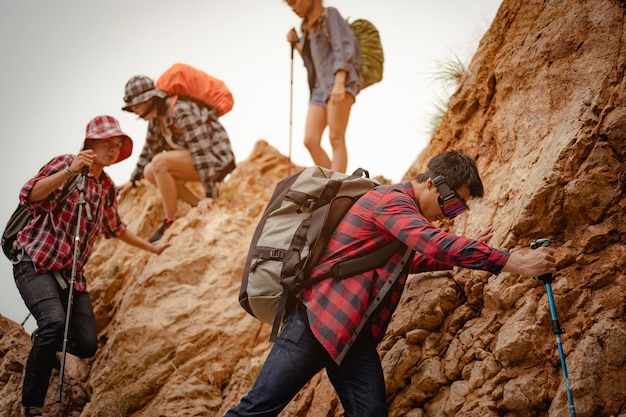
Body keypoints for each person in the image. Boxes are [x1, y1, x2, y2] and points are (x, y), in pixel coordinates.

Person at [225, 150, 556, 417]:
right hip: (316, 323)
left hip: (354, 340)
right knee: (257, 409)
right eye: (452, 203)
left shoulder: (402, 216)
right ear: (431, 183)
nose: (451, 215)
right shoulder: (391, 201)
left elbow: (413, 260)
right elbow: (432, 243)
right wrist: (513, 262)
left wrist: (467, 254)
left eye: (458, 211)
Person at [12, 115, 172, 417]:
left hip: (72, 278)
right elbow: (29, 194)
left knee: (86, 345)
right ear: (90, 143)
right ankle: (31, 406)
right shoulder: (65, 164)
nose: (113, 149)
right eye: (107, 143)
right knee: (54, 322)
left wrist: (153, 247)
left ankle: (44, 340)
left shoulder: (107, 187)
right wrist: (70, 171)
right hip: (35, 263)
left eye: (117, 145)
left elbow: (116, 228)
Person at [118, 75, 236, 242]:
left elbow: (201, 151)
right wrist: (133, 179)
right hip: (196, 162)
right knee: (150, 171)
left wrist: (210, 194)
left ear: (150, 99)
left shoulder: (181, 110)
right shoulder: (155, 121)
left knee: (159, 162)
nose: (134, 111)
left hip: (215, 161)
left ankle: (170, 221)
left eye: (136, 105)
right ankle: (198, 205)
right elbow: (148, 150)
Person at [286, 0, 362, 173]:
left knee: (336, 137)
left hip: (339, 80)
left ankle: (338, 188)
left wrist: (340, 81)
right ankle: (332, 183)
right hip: (319, 88)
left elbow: (342, 47)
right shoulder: (307, 28)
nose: (293, 8)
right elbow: (312, 62)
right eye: (290, 6)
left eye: (294, 2)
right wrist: (297, 43)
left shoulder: (330, 15)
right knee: (310, 140)